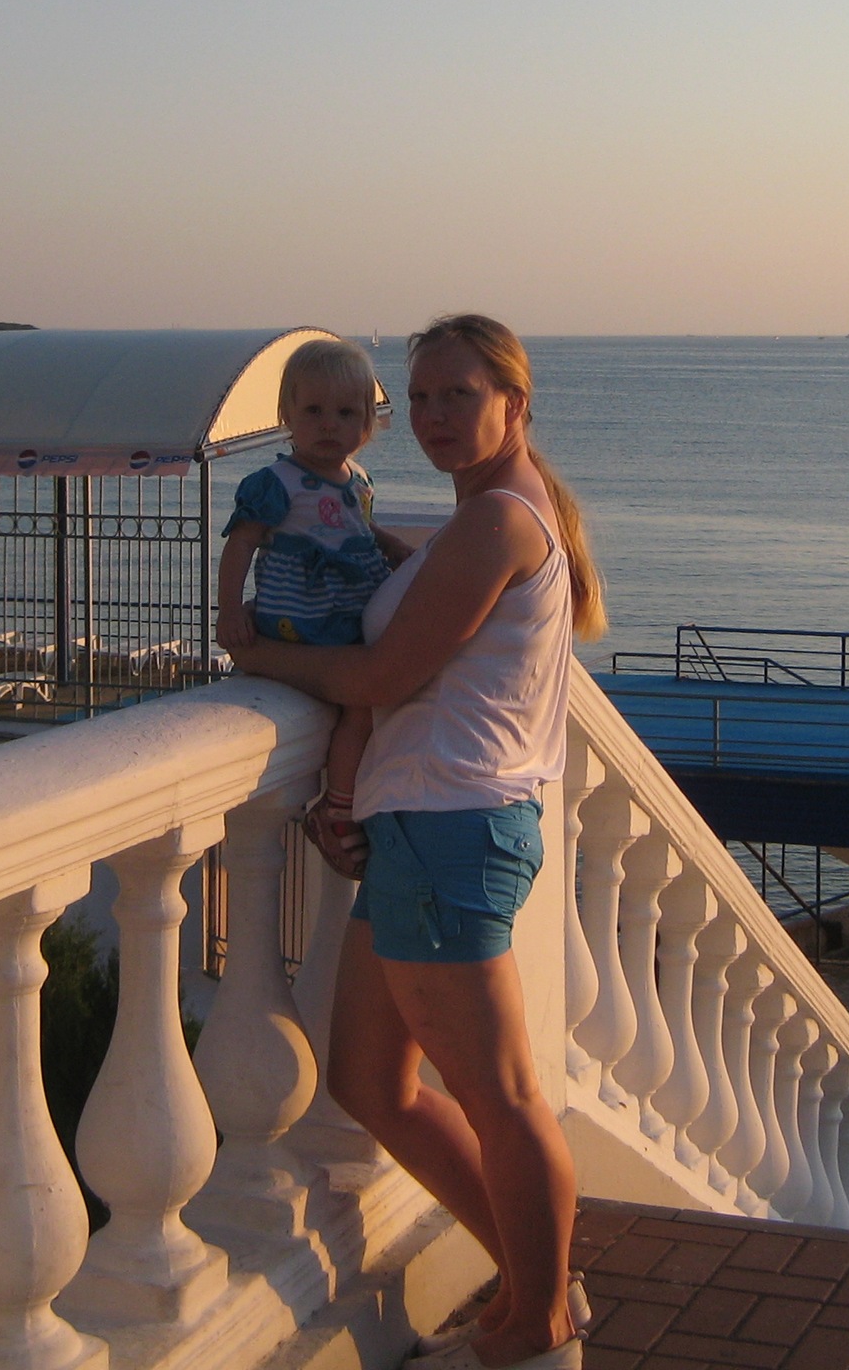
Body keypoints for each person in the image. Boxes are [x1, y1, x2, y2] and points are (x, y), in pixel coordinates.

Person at [221, 314, 607, 1370]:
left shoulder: (494, 526)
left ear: (513, 404)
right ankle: (538, 1287)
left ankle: (534, 1332)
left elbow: (382, 677)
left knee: (504, 1099)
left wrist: (254, 654)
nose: (435, 415)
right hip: (423, 829)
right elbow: (413, 622)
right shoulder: (475, 520)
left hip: (450, 833)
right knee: (369, 1079)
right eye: (421, 397)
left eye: (459, 395)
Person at [216, 336, 410, 852]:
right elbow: (240, 545)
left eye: (346, 413)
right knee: (361, 707)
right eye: (314, 411)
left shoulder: (358, 480)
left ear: (367, 422)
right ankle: (340, 807)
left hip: (348, 618)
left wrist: (396, 549)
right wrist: (230, 610)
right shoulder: (278, 482)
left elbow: (359, 531)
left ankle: (359, 794)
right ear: (288, 414)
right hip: (302, 622)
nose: (329, 425)